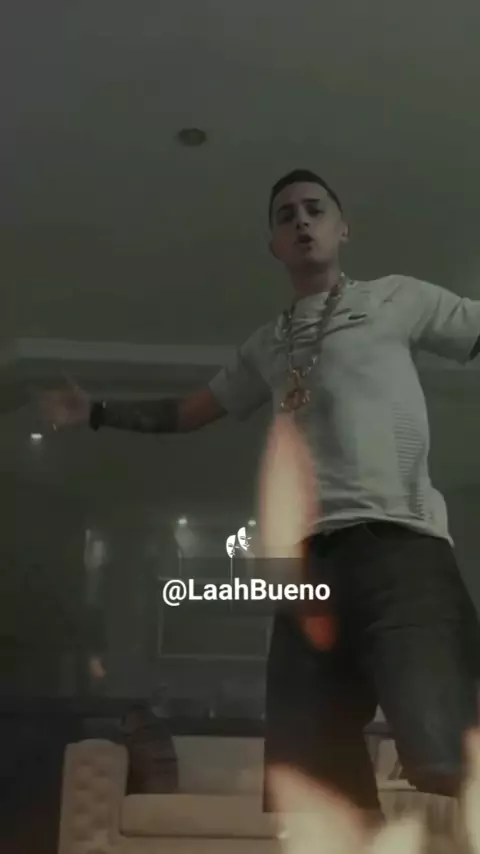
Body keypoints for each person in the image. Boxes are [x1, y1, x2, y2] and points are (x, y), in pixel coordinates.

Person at [39, 168, 480, 824]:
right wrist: (97, 411)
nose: (301, 220)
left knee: (443, 755)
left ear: (342, 228)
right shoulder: (266, 345)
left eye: (315, 209)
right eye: (285, 215)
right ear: (274, 244)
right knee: (310, 785)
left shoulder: (397, 298)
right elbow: (191, 411)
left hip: (401, 550)